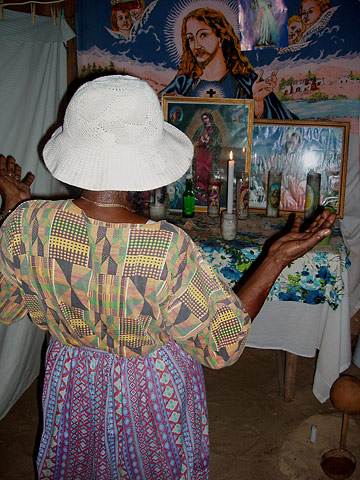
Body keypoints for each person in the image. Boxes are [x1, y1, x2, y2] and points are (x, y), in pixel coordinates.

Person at [0, 75, 335, 480]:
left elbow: (9, 302)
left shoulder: (26, 223)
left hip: (73, 378)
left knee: (81, 463)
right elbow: (222, 343)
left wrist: (14, 210)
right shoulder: (164, 248)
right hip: (149, 387)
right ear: (147, 164)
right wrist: (274, 259)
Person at [161, 7, 298, 120]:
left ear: (221, 38)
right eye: (190, 38)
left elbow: (278, 127)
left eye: (203, 35)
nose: (196, 45)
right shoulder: (183, 84)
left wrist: (258, 103)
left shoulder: (246, 82)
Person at [192, 112, 222, 204]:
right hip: (201, 154)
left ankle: (208, 192)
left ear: (210, 119)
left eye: (206, 118)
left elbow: (218, 143)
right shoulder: (201, 128)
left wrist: (209, 140)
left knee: (208, 171)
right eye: (203, 118)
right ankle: (199, 192)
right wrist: (201, 139)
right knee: (198, 170)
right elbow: (195, 140)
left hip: (210, 155)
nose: (205, 120)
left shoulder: (215, 130)